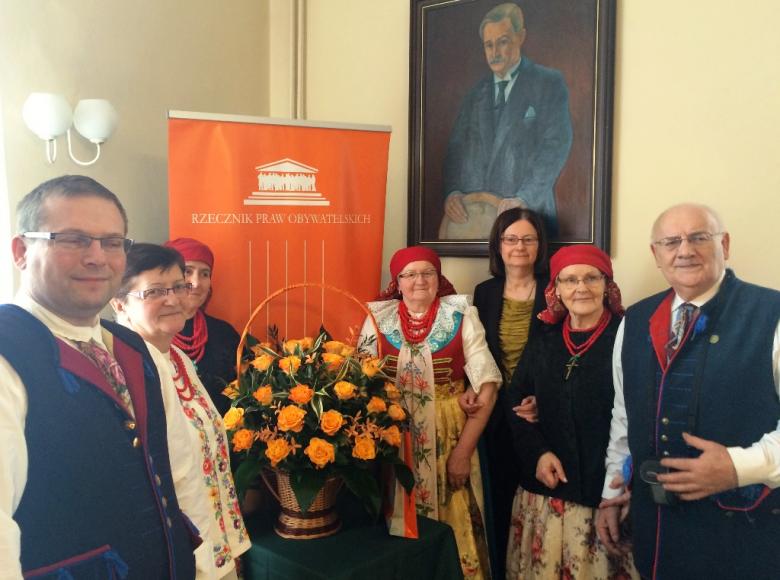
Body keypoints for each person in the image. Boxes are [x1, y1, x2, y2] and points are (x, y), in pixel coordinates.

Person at [0, 175, 214, 578]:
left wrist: (203, 570)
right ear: (21, 251)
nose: (97, 256)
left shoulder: (137, 350)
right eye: (73, 239)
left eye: (112, 242)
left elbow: (182, 477)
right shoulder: (7, 355)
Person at [596, 203, 780, 579]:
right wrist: (612, 491)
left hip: (746, 538)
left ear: (724, 244)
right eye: (671, 241)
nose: (685, 250)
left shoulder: (771, 313)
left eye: (699, 237)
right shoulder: (634, 320)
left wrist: (738, 466)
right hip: (657, 534)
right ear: (656, 254)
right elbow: (624, 415)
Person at [361, 246, 501, 580]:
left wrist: (463, 453)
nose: (419, 280)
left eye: (428, 273)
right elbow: (360, 379)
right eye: (410, 274)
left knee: (454, 519)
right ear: (398, 282)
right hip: (393, 436)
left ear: (439, 279)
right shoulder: (377, 318)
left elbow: (488, 386)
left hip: (449, 433)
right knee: (397, 518)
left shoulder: (462, 314)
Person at [111, 243, 251, 579]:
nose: (174, 299)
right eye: (155, 291)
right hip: (174, 556)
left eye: (178, 286)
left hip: (212, 543)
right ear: (119, 303)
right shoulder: (125, 371)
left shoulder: (177, 358)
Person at [505, 244, 637, 578]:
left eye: (592, 277)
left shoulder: (628, 337)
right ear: (556, 289)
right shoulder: (544, 338)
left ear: (607, 285)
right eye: (570, 280)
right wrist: (538, 454)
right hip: (546, 494)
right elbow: (515, 400)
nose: (581, 288)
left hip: (602, 493)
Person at [442, 2, 573, 239]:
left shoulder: (548, 83)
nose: (495, 52)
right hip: (477, 227)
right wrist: (452, 192)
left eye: (502, 41)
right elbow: (455, 150)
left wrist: (524, 198)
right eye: (488, 45)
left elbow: (555, 146)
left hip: (531, 223)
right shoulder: (474, 95)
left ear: (520, 37)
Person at [472, 207, 549, 579]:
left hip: (537, 413)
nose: (520, 246)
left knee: (535, 497)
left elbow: (564, 351)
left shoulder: (555, 289)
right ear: (498, 246)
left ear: (539, 245)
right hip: (495, 414)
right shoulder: (484, 292)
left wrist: (544, 399)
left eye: (528, 239)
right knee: (499, 496)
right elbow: (477, 354)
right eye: (511, 239)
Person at [164, 237, 241, 415]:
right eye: (187, 271)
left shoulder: (225, 333)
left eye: (205, 274)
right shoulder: (151, 332)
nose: (197, 283)